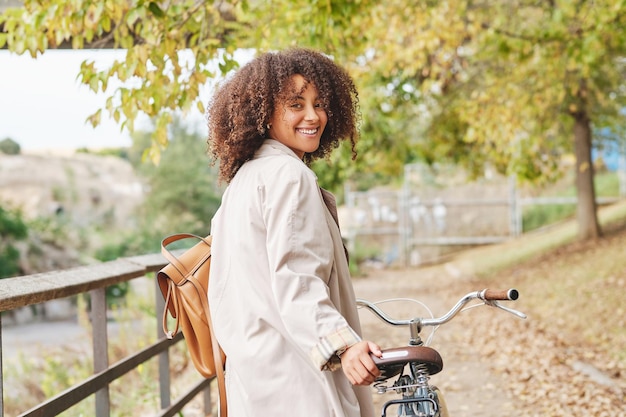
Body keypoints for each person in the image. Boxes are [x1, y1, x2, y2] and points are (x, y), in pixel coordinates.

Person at [206, 48, 382, 416]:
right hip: (298, 382)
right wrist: (343, 345)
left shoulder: (243, 182)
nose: (313, 116)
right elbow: (297, 279)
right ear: (262, 110)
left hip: (254, 380)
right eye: (296, 104)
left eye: (320, 104)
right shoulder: (289, 176)